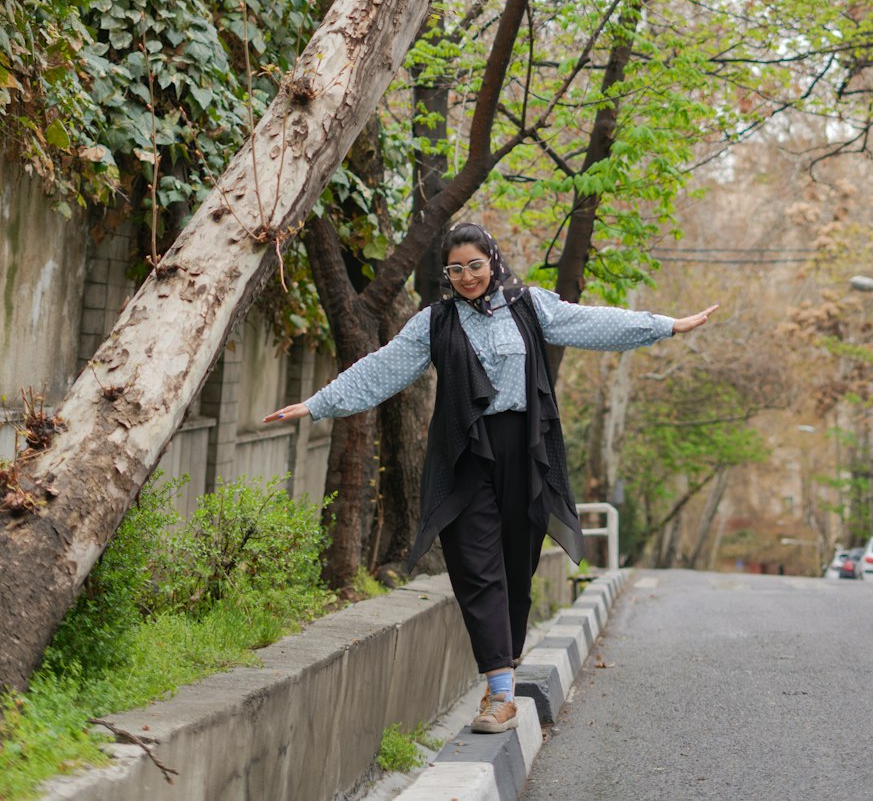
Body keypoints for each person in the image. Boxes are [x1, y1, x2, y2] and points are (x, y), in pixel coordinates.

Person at [263, 222, 718, 735]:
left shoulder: (528, 305)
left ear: (493, 261)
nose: (466, 277)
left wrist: (664, 325)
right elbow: (382, 368)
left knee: (515, 568)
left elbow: (589, 323)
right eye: (455, 269)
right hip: (465, 456)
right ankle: (501, 693)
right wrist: (317, 404)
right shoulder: (434, 323)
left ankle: (505, 667)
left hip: (525, 450)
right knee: (476, 568)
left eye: (474, 266)